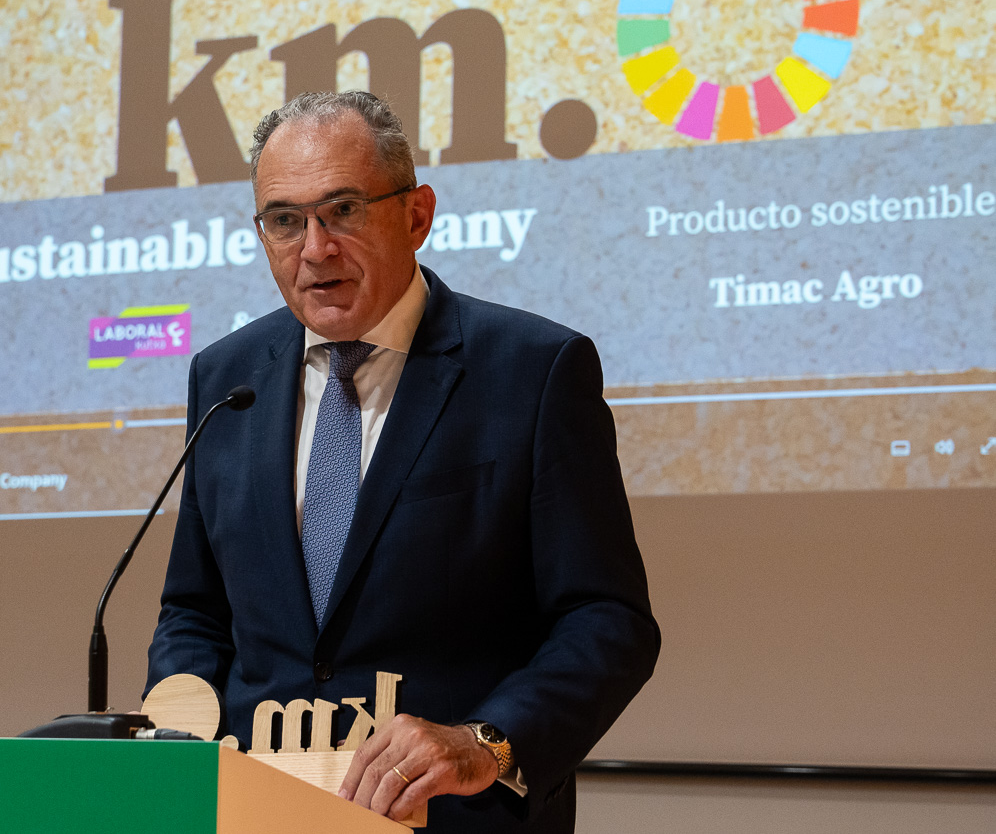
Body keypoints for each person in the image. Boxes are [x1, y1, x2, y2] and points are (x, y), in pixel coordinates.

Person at [146, 91, 659, 832]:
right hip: (256, 811)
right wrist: (178, 727)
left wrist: (486, 741)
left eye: (343, 210)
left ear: (417, 215)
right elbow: (195, 610)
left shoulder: (534, 370)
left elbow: (607, 620)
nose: (314, 248)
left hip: (453, 817)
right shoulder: (227, 377)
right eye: (284, 220)